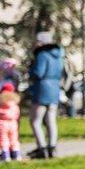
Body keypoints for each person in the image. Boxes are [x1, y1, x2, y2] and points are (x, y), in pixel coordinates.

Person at [28, 31, 65, 159]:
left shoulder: (42, 55)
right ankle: (52, 147)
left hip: (42, 89)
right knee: (51, 120)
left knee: (35, 120)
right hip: (54, 89)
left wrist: (31, 69)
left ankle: (42, 148)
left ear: (42, 42)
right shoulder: (58, 55)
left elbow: (38, 73)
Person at [0, 82, 22, 161]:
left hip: (1, 123)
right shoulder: (14, 103)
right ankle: (16, 154)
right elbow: (17, 114)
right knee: (14, 139)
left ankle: (5, 155)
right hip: (13, 123)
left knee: (3, 139)